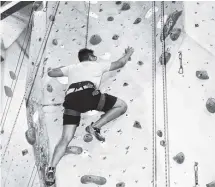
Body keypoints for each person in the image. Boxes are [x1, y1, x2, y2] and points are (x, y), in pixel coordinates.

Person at [45, 46, 134, 186]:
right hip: (90, 96)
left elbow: (51, 73)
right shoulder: (97, 65)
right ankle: (96, 127)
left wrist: (58, 69)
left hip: (71, 100)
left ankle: (51, 169)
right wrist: (128, 53)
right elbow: (120, 63)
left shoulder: (72, 67)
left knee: (65, 138)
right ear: (91, 57)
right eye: (94, 56)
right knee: (121, 106)